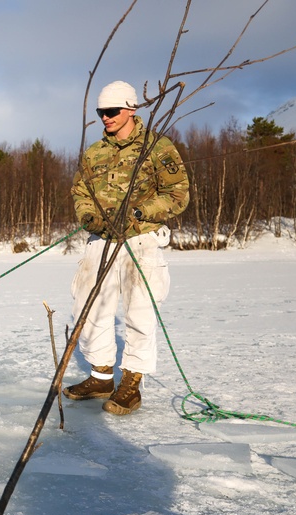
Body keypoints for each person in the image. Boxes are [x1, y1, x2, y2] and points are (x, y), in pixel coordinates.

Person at [64, 80, 190, 415]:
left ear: (131, 109)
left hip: (141, 240)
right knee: (88, 306)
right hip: (100, 240)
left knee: (140, 310)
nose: (105, 117)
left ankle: (131, 384)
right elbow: (80, 192)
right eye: (100, 112)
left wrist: (140, 212)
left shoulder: (158, 147)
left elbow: (178, 194)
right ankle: (101, 375)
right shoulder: (94, 153)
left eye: (111, 111)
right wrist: (89, 216)